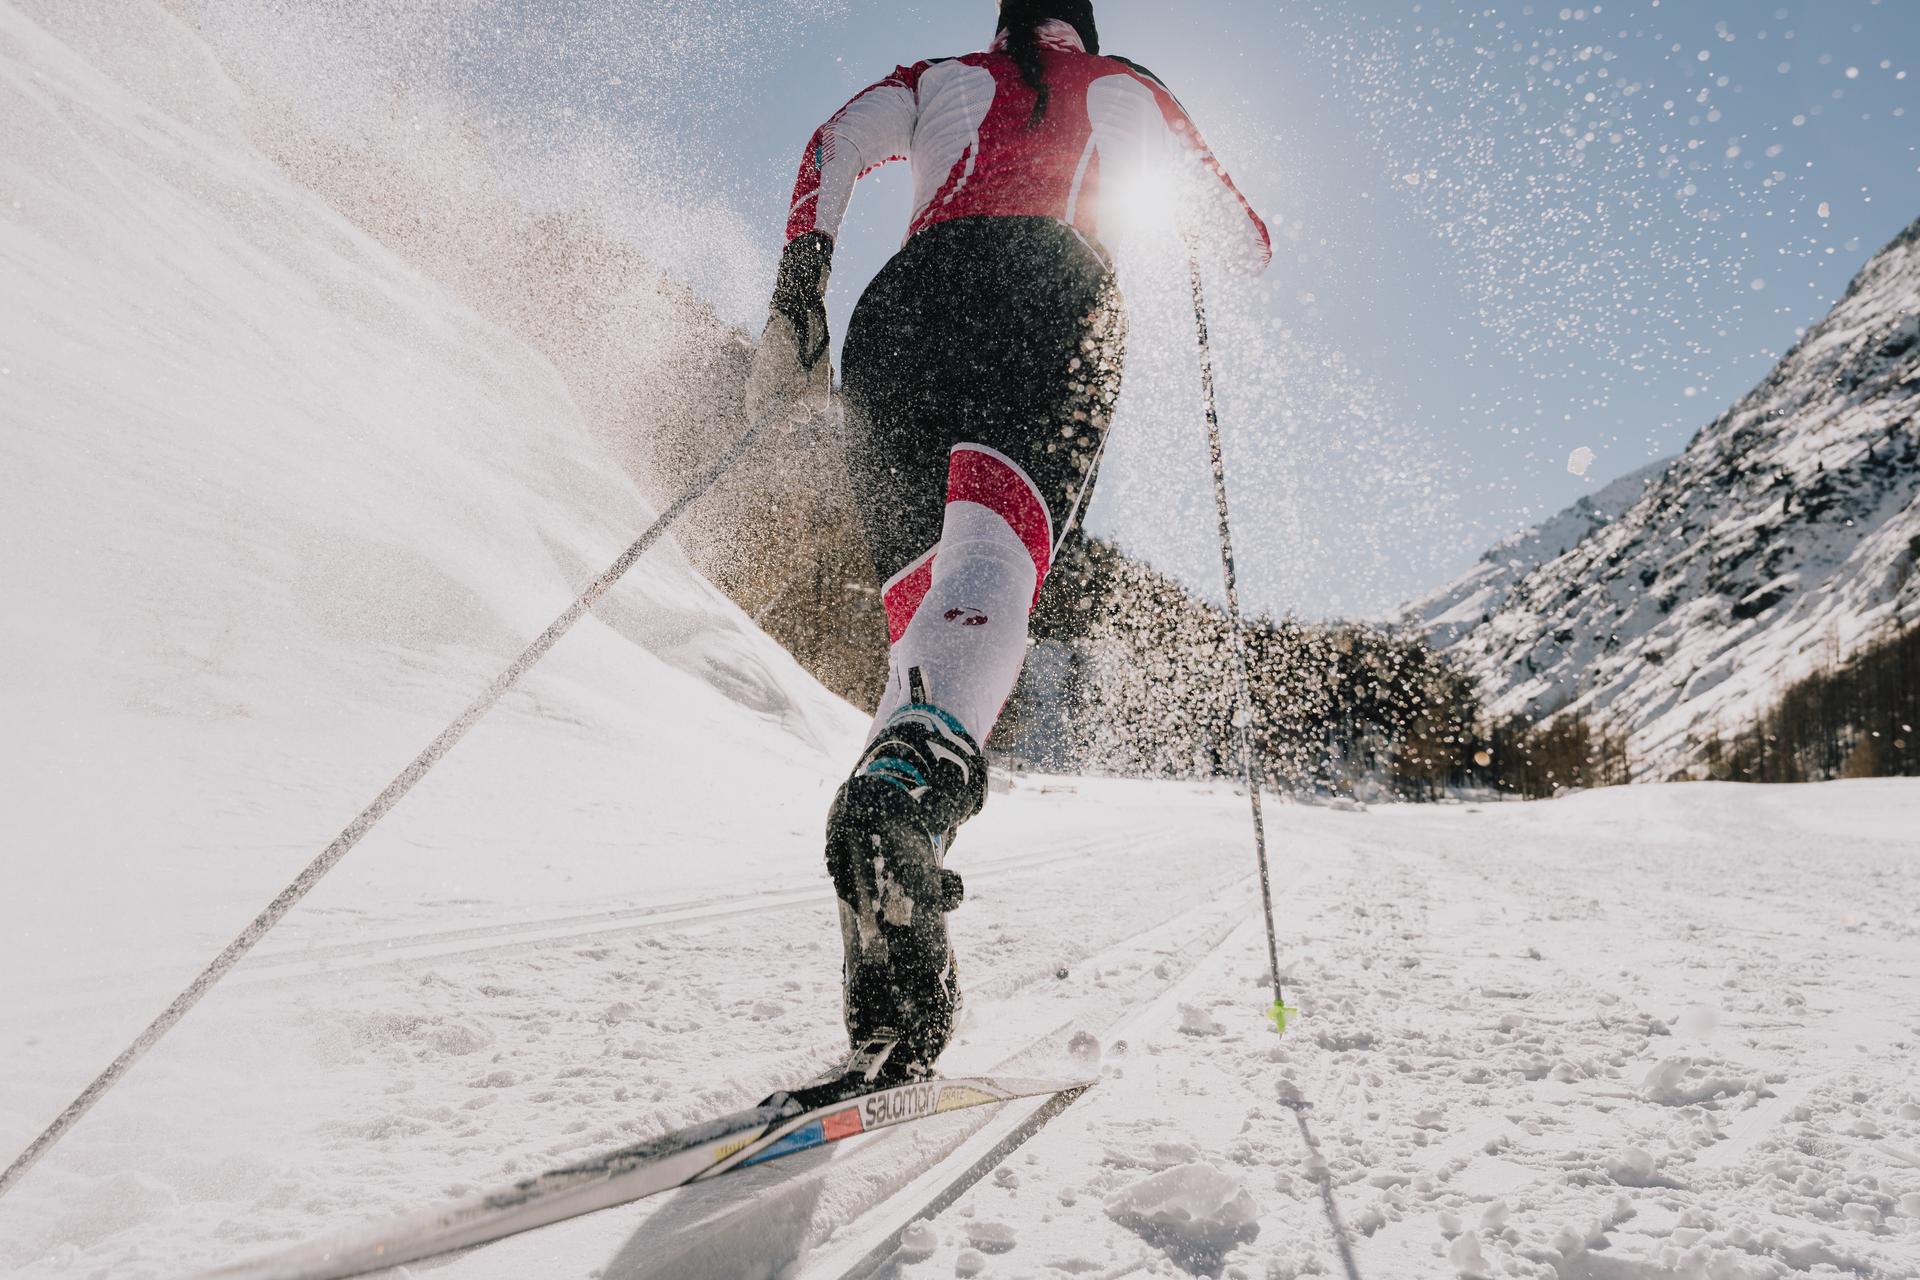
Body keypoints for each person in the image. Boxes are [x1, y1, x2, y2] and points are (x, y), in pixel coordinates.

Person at [744, 0, 1271, 1085]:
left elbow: (829, 147)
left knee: (923, 620)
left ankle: (894, 970)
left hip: (905, 311)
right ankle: (903, 795)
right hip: (1054, 292)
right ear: (1082, 23)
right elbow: (1242, 238)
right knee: (991, 568)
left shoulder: (938, 75)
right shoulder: (1129, 83)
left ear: (1005, 20)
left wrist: (803, 287)